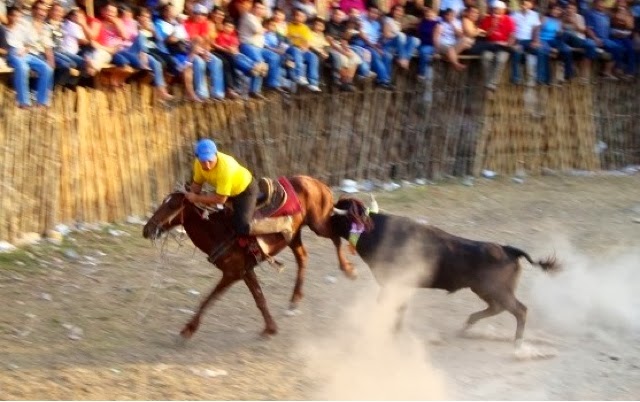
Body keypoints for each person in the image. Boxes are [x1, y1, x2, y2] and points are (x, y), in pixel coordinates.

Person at [186, 139, 294, 258]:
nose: (206, 165)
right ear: (197, 157)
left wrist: (196, 198)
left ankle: (283, 223)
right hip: (227, 191)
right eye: (203, 161)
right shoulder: (198, 164)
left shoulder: (225, 168)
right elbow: (197, 184)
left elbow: (221, 199)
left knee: (242, 226)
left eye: (209, 161)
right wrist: (189, 195)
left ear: (216, 155)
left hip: (245, 191)